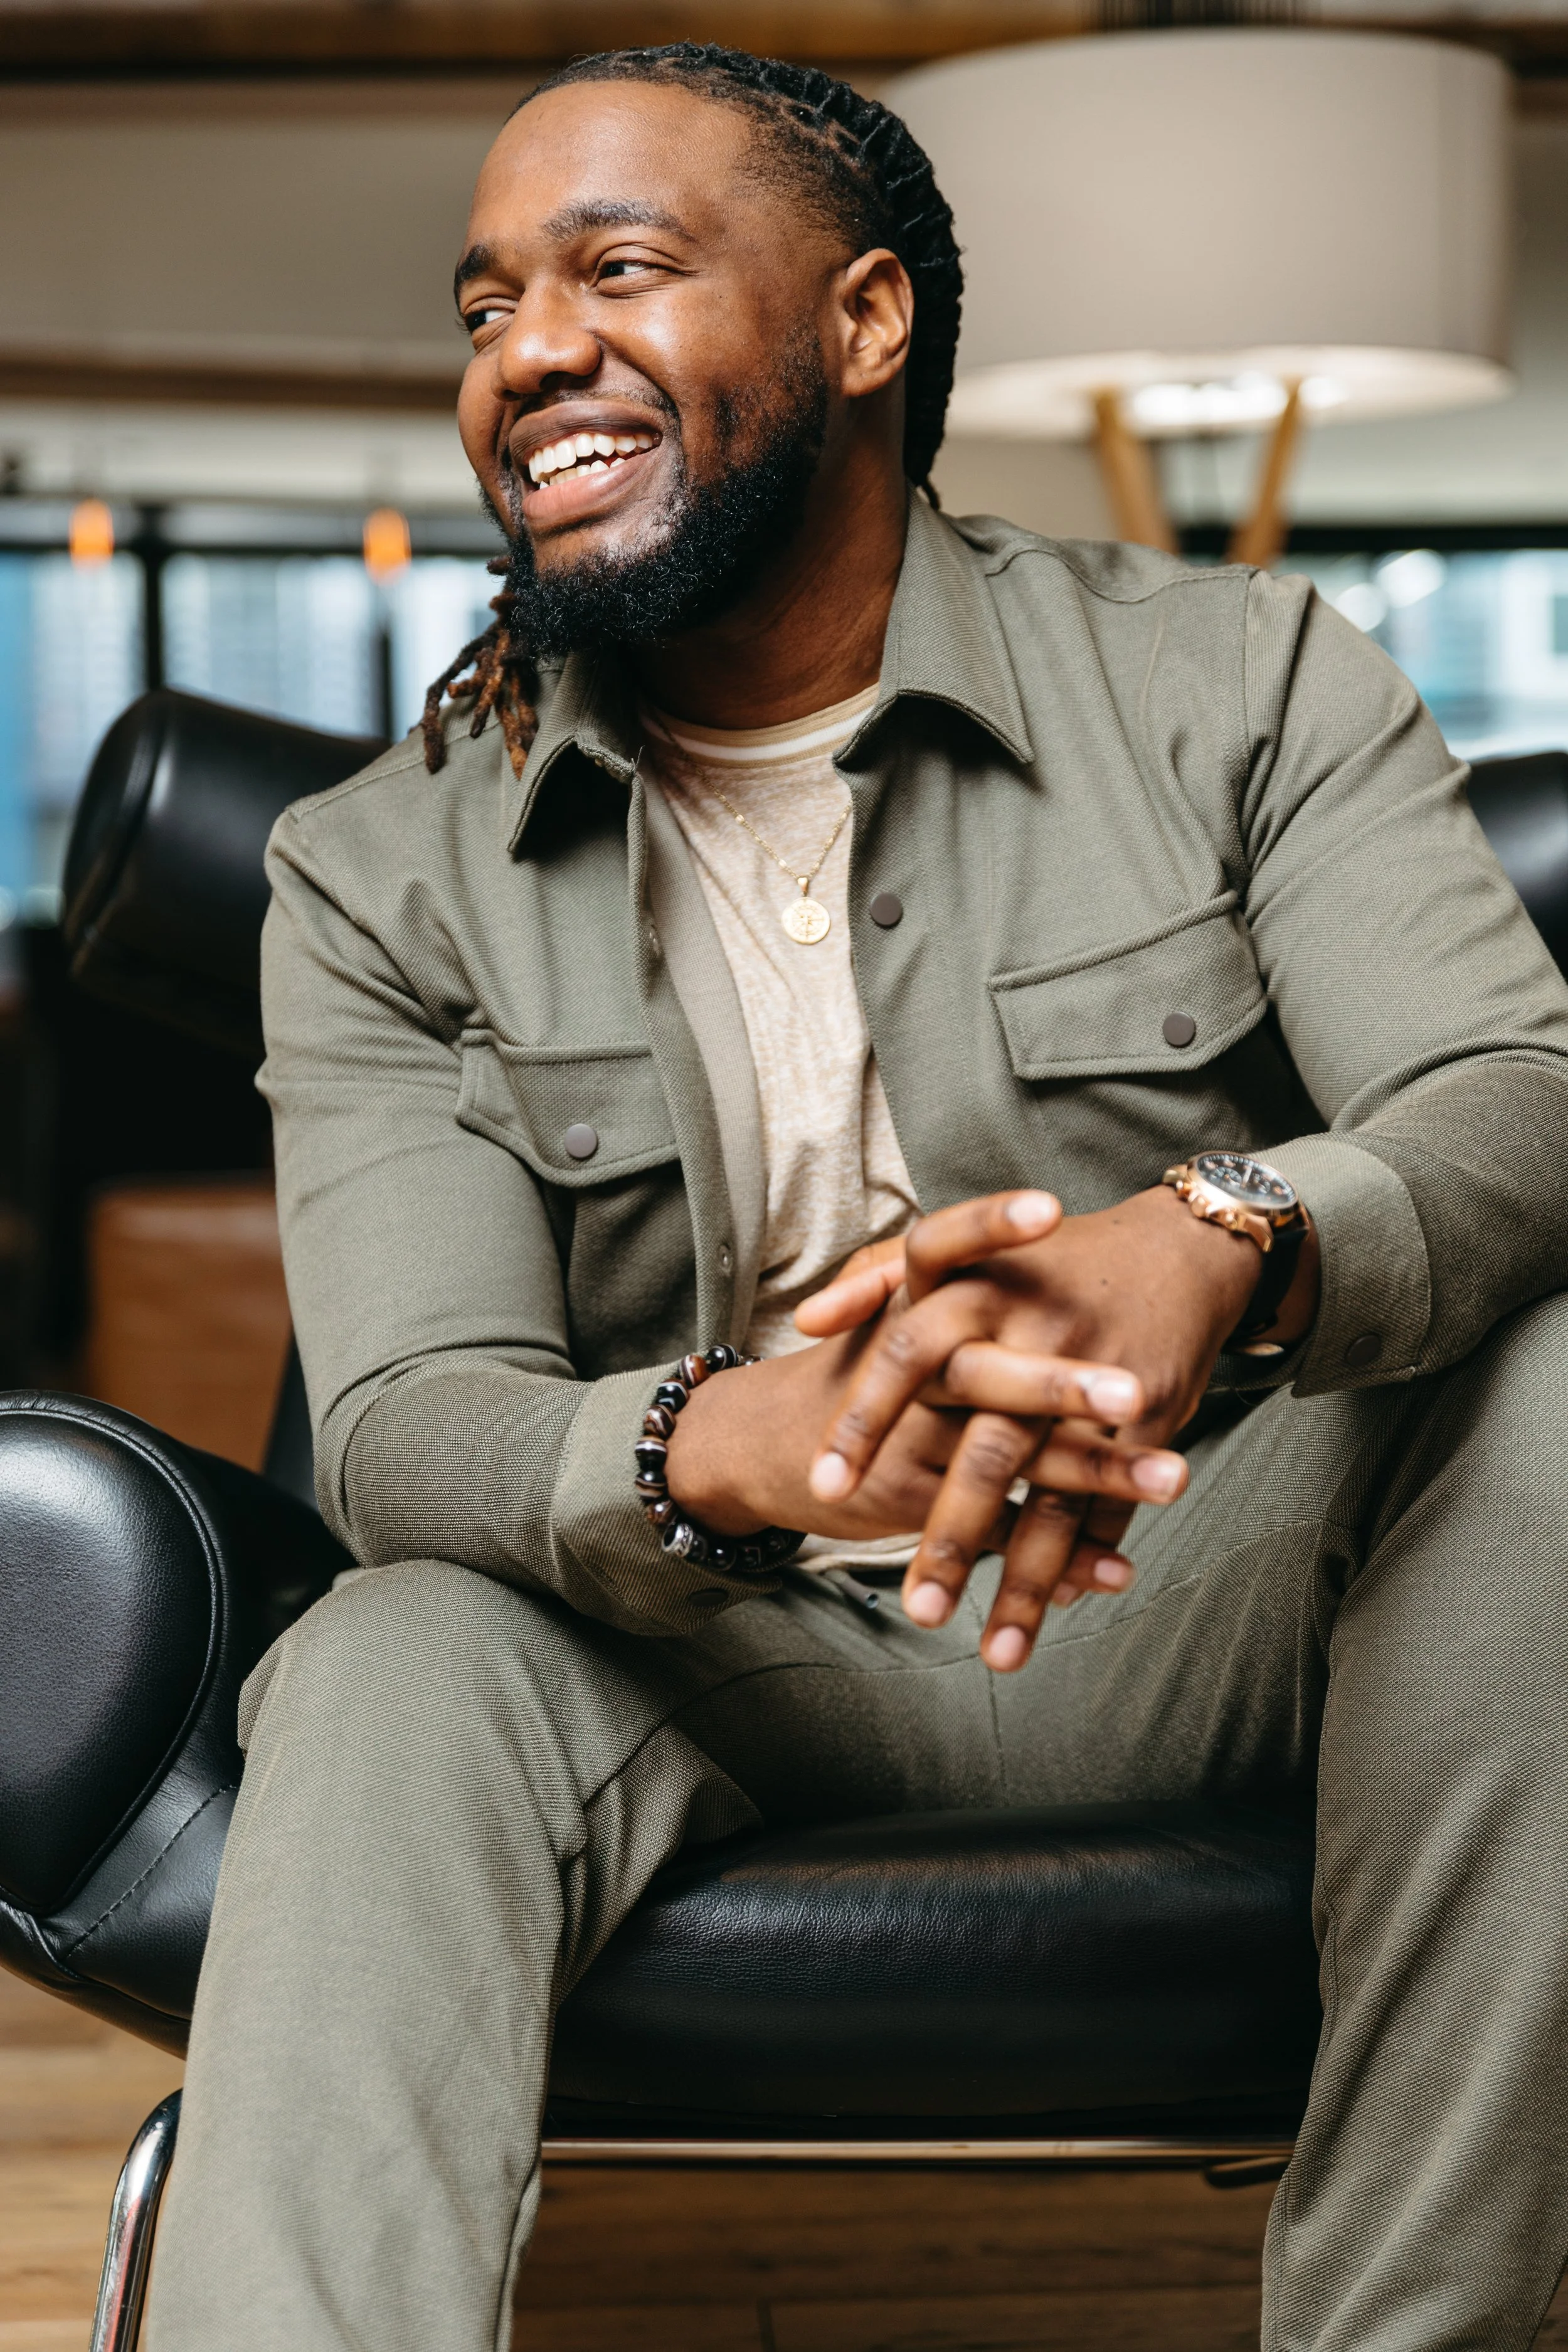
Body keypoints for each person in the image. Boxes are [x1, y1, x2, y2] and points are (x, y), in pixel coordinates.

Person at [146, 43, 1568, 2352]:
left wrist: (1222, 1236)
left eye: (616, 269)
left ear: (868, 321)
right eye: (484, 302)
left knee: (1561, 1398)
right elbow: (406, 1424)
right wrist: (749, 1433)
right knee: (387, 1653)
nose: (530, 355)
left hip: (1196, 1583)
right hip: (708, 1648)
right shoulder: (374, 868)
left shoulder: (1239, 681)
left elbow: (1518, 1098)